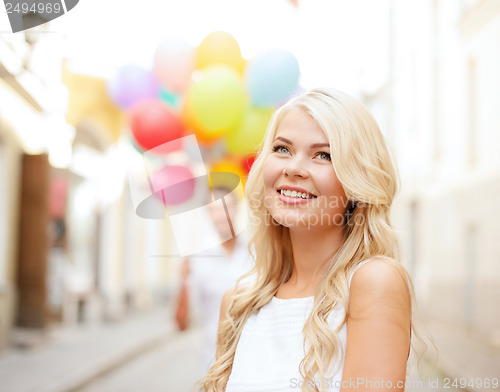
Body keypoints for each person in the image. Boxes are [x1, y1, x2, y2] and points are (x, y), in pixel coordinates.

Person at [195, 88, 419, 392]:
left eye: (323, 155)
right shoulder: (237, 304)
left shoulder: (373, 283)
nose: (293, 168)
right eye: (282, 149)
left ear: (357, 183)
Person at [176, 185, 254, 372]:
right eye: (215, 209)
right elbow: (182, 324)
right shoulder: (197, 260)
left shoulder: (257, 252)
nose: (222, 215)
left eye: (227, 207)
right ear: (208, 215)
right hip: (214, 362)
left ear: (237, 209)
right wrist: (184, 283)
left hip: (254, 358)